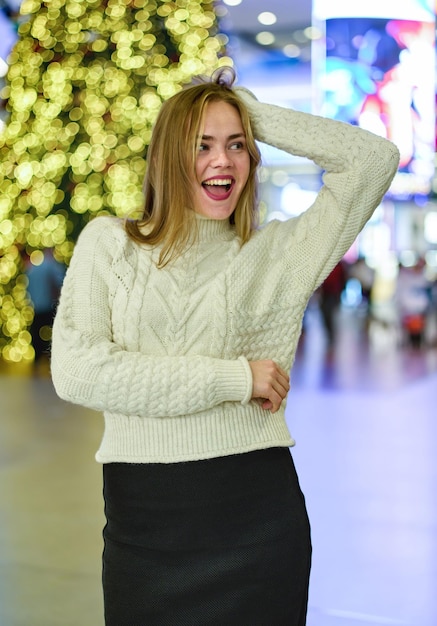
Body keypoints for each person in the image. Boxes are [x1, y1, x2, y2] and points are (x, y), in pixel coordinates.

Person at [50, 67, 399, 625]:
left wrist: (243, 109)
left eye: (237, 146)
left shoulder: (280, 253)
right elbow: (79, 373)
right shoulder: (110, 245)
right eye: (202, 144)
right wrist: (235, 378)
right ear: (168, 156)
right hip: (144, 528)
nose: (224, 160)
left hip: (255, 524)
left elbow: (374, 159)